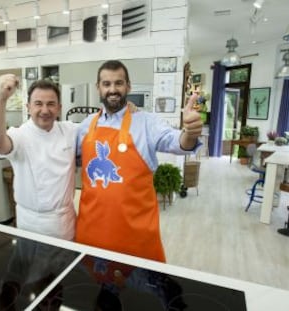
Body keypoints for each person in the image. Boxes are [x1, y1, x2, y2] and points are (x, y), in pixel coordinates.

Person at [75, 60, 203, 262]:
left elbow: (177, 143)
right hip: (91, 234)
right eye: (106, 84)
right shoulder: (85, 126)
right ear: (98, 87)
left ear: (128, 86)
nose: (113, 89)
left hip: (135, 237)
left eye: (119, 83)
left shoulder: (146, 122)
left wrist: (190, 133)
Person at [0, 76, 78, 240]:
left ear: (59, 108)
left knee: (65, 264)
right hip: (30, 224)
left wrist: (128, 111)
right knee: (29, 265)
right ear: (28, 107)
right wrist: (1, 98)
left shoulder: (70, 131)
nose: (45, 110)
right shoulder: (20, 134)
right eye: (38, 104)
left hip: (65, 223)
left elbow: (101, 127)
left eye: (51, 104)